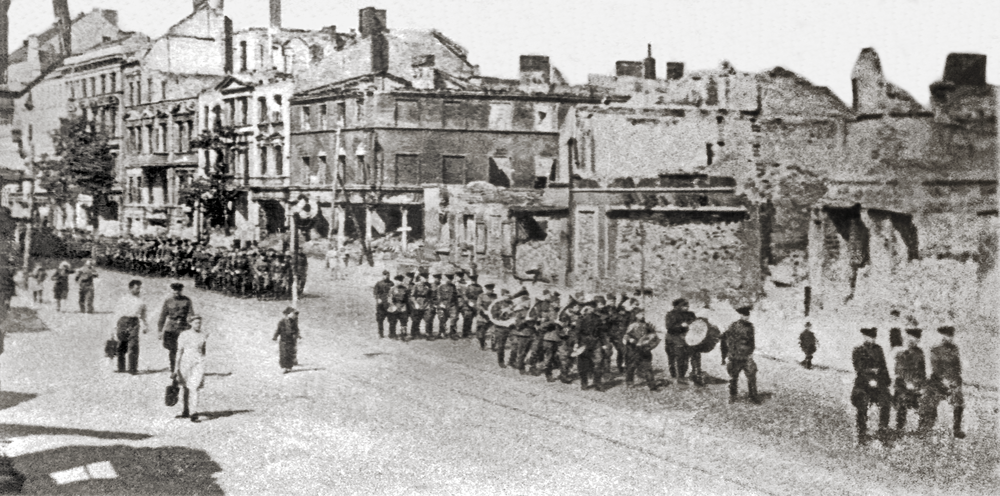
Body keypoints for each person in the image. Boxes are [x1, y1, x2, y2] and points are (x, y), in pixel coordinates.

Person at [918, 326, 965, 439]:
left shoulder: (954, 349)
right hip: (938, 380)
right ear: (942, 336)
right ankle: (925, 427)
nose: (948, 338)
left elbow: (957, 367)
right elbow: (936, 367)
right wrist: (943, 379)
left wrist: (954, 380)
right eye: (946, 336)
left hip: (952, 381)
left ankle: (957, 429)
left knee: (958, 401)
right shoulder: (935, 350)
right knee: (928, 399)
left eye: (950, 336)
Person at [851, 327, 892, 445]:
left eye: (874, 337)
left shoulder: (878, 349)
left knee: (886, 400)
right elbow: (859, 368)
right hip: (863, 383)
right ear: (864, 337)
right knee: (861, 402)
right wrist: (871, 372)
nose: (872, 340)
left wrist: (887, 380)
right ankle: (862, 432)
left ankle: (883, 429)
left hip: (878, 383)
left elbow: (883, 366)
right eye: (870, 337)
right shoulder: (858, 350)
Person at [722, 305, 760, 404]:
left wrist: (751, 352)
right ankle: (733, 395)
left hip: (746, 355)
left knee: (752, 375)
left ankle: (753, 395)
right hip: (735, 355)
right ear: (740, 315)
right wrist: (730, 353)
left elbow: (752, 341)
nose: (746, 317)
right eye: (744, 315)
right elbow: (729, 340)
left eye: (748, 315)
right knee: (733, 376)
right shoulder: (734, 326)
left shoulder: (750, 326)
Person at [173, 314, 207, 423]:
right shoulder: (184, 335)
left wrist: (202, 361)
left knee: (194, 387)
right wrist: (176, 368)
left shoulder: (203, 335)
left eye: (199, 322)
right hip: (186, 362)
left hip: (198, 363)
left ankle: (194, 413)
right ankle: (186, 411)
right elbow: (179, 351)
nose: (198, 325)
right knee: (185, 387)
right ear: (190, 323)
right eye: (196, 323)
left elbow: (203, 350)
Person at [112, 279, 150, 374]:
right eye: (137, 288)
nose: (138, 290)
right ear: (130, 288)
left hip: (134, 322)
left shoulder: (141, 300)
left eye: (139, 288)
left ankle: (133, 369)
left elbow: (144, 314)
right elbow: (117, 313)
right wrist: (114, 327)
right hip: (122, 321)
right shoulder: (123, 299)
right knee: (121, 345)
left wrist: (146, 325)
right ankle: (121, 368)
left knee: (133, 345)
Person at [893, 328, 926, 433]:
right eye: (909, 339)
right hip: (902, 385)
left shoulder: (920, 354)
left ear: (918, 341)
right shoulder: (900, 353)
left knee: (925, 402)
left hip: (915, 386)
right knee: (902, 400)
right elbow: (899, 371)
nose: (912, 341)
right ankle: (900, 428)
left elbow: (921, 373)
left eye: (915, 340)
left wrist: (918, 385)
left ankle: (921, 430)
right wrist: (907, 382)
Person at [158, 282, 195, 373]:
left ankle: (179, 368)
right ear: (172, 290)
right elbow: (163, 316)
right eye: (174, 290)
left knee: (182, 349)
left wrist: (191, 322)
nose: (176, 292)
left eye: (178, 290)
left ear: (181, 291)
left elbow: (191, 314)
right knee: (172, 348)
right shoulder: (168, 301)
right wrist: (159, 330)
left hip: (182, 327)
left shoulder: (187, 300)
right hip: (171, 327)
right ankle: (173, 367)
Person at [623, 308, 660, 391]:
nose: (643, 315)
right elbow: (626, 335)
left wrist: (651, 338)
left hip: (644, 349)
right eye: (641, 314)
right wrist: (630, 340)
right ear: (636, 315)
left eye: (643, 314)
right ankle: (629, 382)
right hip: (633, 349)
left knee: (647, 366)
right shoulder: (632, 325)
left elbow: (652, 334)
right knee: (631, 366)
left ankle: (652, 385)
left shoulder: (646, 325)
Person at [665, 298, 697, 381]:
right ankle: (674, 374)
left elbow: (695, 323)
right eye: (684, 305)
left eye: (687, 305)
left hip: (687, 339)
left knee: (684, 357)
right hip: (673, 338)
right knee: (672, 358)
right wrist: (680, 326)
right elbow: (669, 328)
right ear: (677, 306)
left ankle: (681, 375)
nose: (687, 307)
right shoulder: (671, 314)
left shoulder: (690, 314)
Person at [488, 289, 514, 368]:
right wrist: (502, 311)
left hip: (510, 326)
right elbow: (494, 315)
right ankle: (501, 361)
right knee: (501, 345)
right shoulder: (497, 304)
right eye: (506, 295)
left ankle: (511, 361)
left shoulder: (512, 303)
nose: (508, 296)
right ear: (502, 295)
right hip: (500, 327)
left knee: (515, 344)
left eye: (509, 295)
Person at [273, 307, 301, 373]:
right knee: (283, 353)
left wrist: (298, 335)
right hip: (283, 340)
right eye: (293, 314)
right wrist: (275, 336)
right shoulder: (282, 322)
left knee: (290, 353)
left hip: (291, 340)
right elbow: (278, 330)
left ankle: (289, 366)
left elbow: (296, 329)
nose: (295, 315)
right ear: (288, 314)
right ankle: (284, 367)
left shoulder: (294, 321)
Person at [474, 283, 498, 351]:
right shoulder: (481, 296)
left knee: (494, 332)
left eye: (491, 289)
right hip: (482, 317)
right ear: (486, 289)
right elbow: (478, 305)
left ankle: (493, 347)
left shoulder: (495, 296)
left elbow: (497, 304)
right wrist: (484, 310)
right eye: (489, 289)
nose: (490, 291)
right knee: (481, 334)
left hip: (492, 317)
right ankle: (482, 345)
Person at [387, 275, 409, 341]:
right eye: (397, 281)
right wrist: (393, 305)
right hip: (393, 306)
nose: (399, 282)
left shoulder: (405, 289)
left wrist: (403, 305)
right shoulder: (392, 289)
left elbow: (407, 298)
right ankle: (392, 334)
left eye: (400, 281)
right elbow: (389, 298)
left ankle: (403, 335)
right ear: (395, 281)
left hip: (402, 306)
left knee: (403, 321)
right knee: (392, 321)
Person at [373, 270, 393, 339]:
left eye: (388, 275)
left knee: (391, 319)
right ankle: (380, 333)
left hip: (389, 304)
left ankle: (391, 333)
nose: (387, 276)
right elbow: (375, 292)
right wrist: (378, 298)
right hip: (381, 304)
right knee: (380, 319)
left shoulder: (391, 283)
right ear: (383, 275)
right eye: (385, 275)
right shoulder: (379, 283)